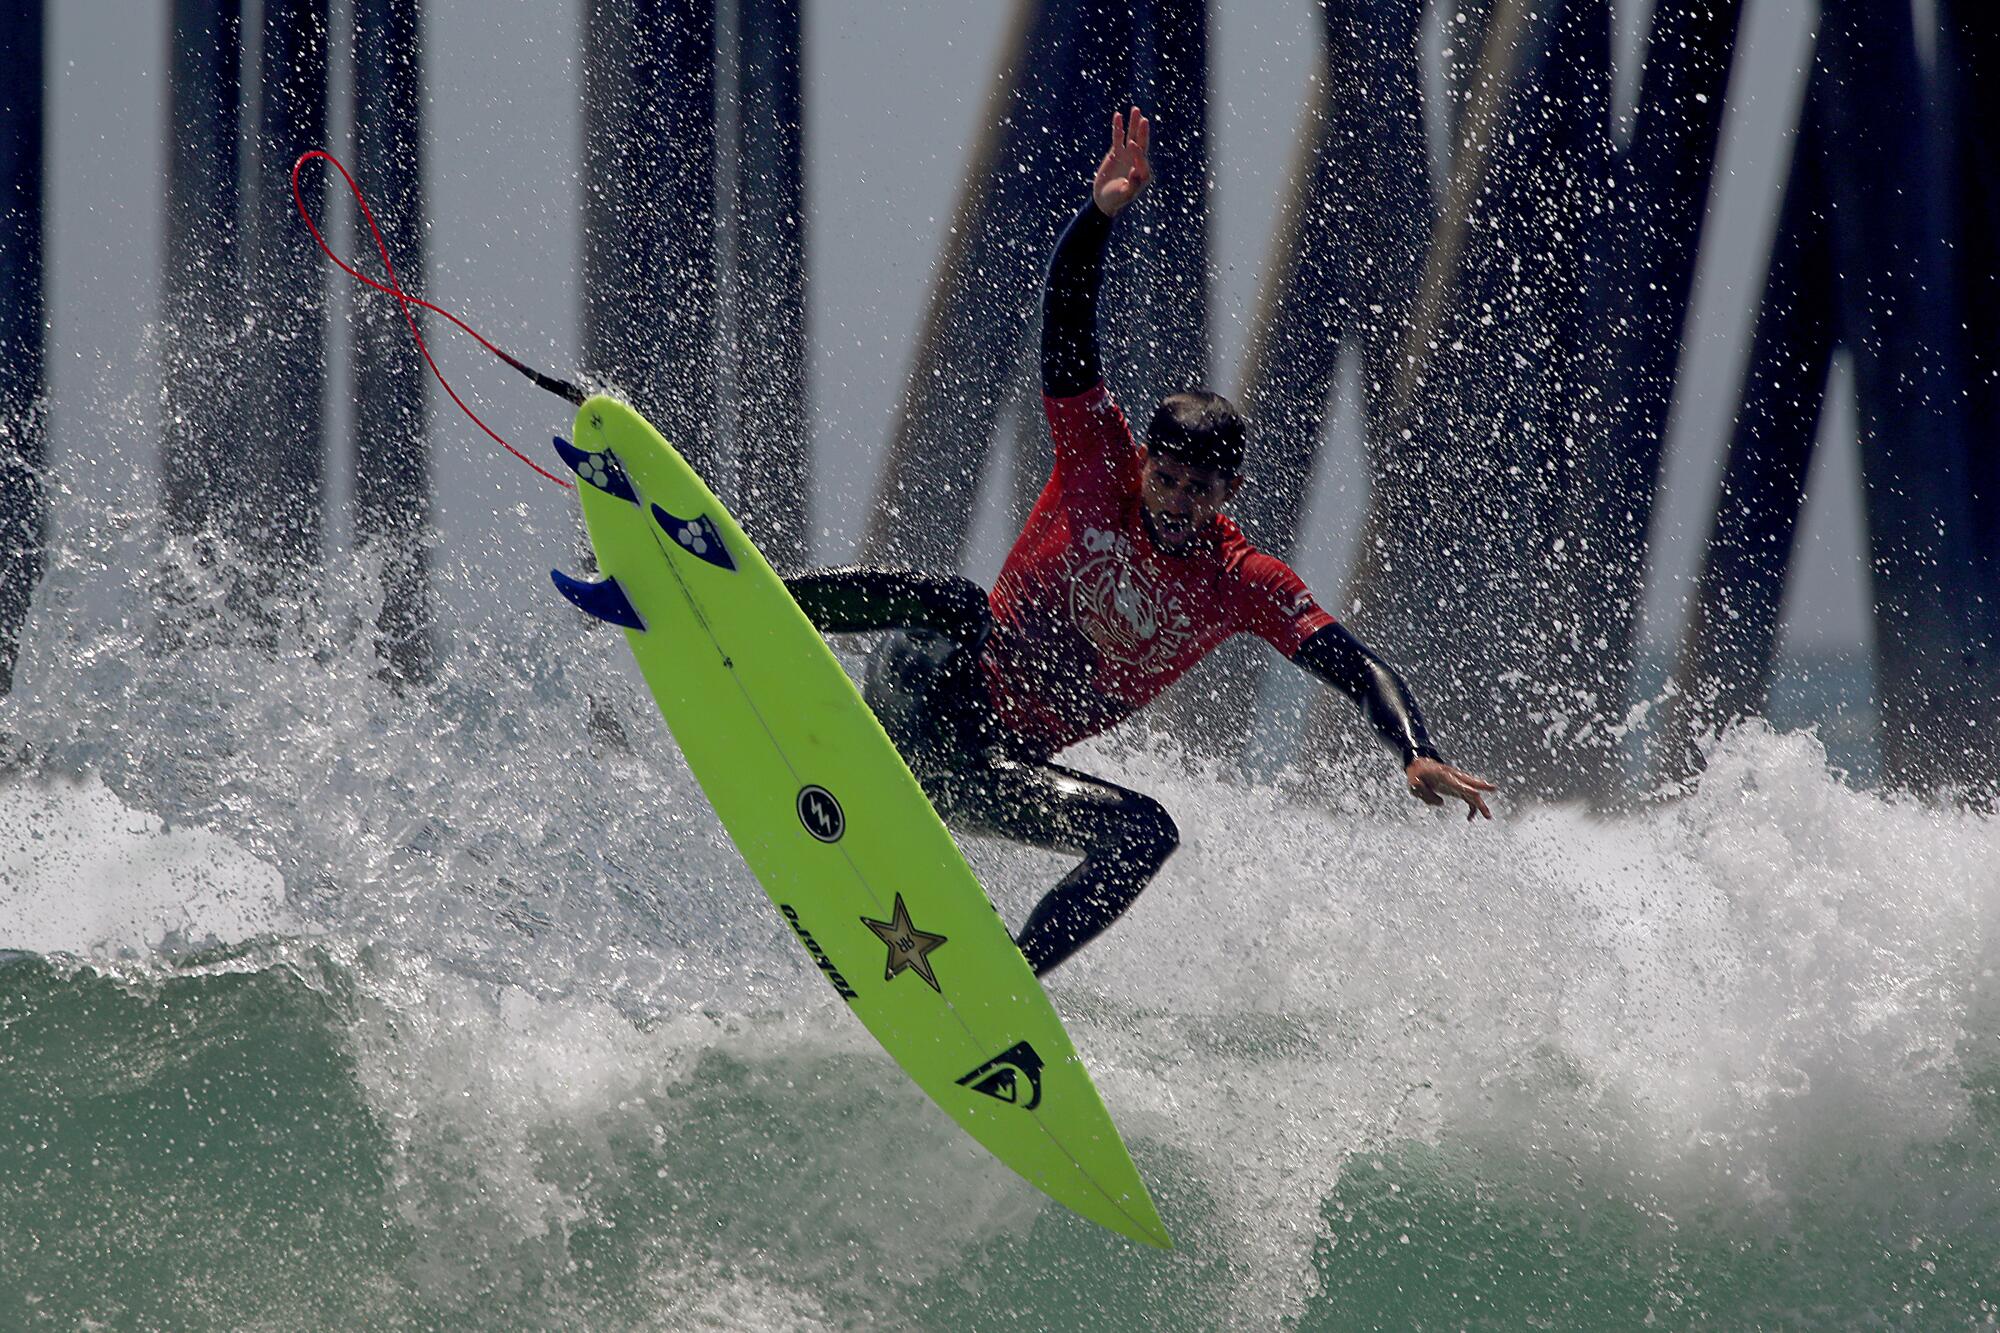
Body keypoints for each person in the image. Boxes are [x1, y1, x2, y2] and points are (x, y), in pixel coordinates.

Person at [788, 106, 1494, 978]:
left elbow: (1357, 666)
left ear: (1229, 493)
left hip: (988, 769)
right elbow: (1068, 323)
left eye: (1200, 489)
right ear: (1146, 463)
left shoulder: (1245, 582)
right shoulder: (1096, 460)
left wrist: (1413, 747)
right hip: (925, 684)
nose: (1176, 500)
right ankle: (762, 605)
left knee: (1146, 832)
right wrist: (1100, 216)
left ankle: (1003, 984)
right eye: (1166, 478)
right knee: (962, 604)